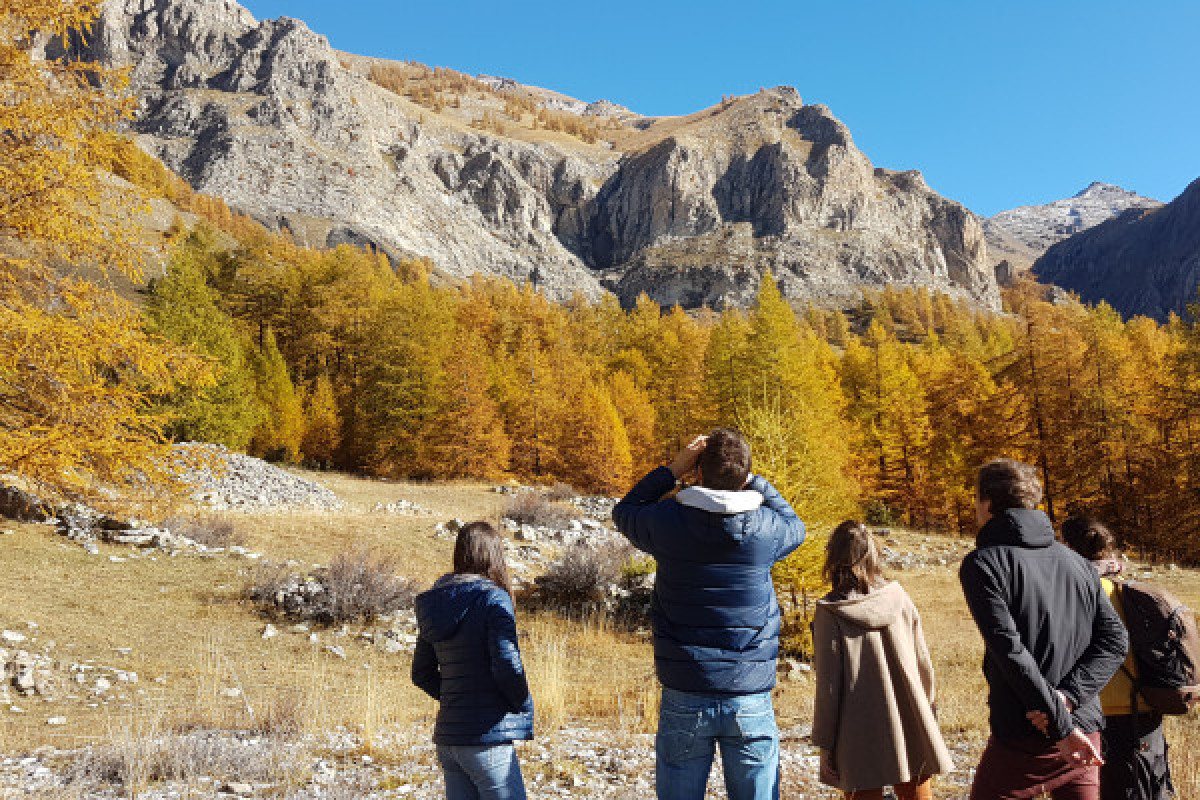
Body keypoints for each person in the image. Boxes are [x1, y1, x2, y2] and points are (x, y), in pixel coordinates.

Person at [612, 428, 805, 800]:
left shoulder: (668, 522)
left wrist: (671, 470)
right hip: (749, 691)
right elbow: (796, 526)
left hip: (686, 686)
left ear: (698, 473)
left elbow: (625, 511)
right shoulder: (765, 529)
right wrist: (755, 481)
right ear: (743, 473)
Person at [960, 459, 1128, 800]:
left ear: (988, 503)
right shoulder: (1078, 564)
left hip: (1030, 734)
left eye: (976, 499)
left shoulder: (984, 563)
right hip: (1083, 725)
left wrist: (1059, 721)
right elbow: (1115, 641)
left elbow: (1010, 651)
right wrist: (1068, 700)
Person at [812, 520, 954, 800]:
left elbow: (828, 687)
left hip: (856, 728)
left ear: (832, 557)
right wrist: (927, 711)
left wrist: (825, 745)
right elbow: (923, 662)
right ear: (872, 555)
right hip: (909, 712)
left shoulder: (830, 612)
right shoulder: (899, 596)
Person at [412, 521, 533, 800]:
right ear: (493, 555)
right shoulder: (494, 597)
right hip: (486, 736)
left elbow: (421, 673)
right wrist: (522, 703)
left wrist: (458, 699)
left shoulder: (435, 603)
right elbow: (507, 664)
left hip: (449, 739)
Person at [1059, 515, 1175, 800]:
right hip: (1146, 708)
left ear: (1069, 547)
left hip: (1102, 712)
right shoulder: (1127, 591)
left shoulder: (1079, 593)